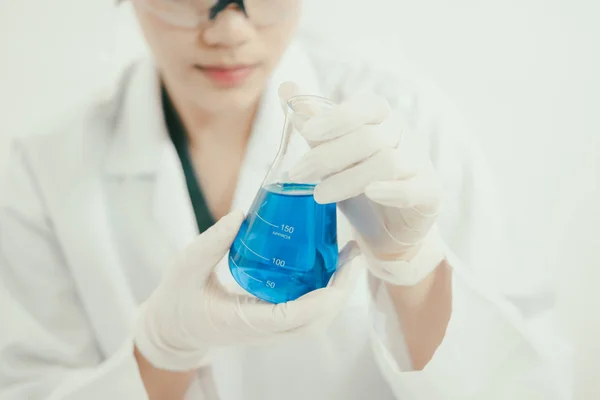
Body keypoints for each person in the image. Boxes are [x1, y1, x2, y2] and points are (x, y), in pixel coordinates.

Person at [0, 0, 572, 399]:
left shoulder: (407, 119)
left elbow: (523, 385)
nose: (229, 31)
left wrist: (412, 267)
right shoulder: (42, 171)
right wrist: (161, 350)